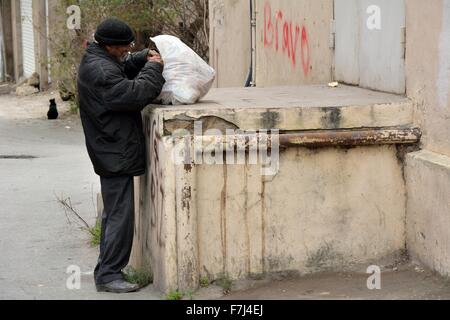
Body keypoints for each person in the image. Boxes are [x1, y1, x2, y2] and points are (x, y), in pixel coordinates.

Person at [77, 17, 165, 293]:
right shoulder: (101, 71)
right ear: (109, 46)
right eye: (125, 46)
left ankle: (107, 269)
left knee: (115, 215)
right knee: (119, 217)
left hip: (111, 148)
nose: (128, 48)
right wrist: (153, 68)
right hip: (113, 151)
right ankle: (109, 275)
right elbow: (135, 93)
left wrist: (140, 58)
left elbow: (122, 68)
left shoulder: (100, 60)